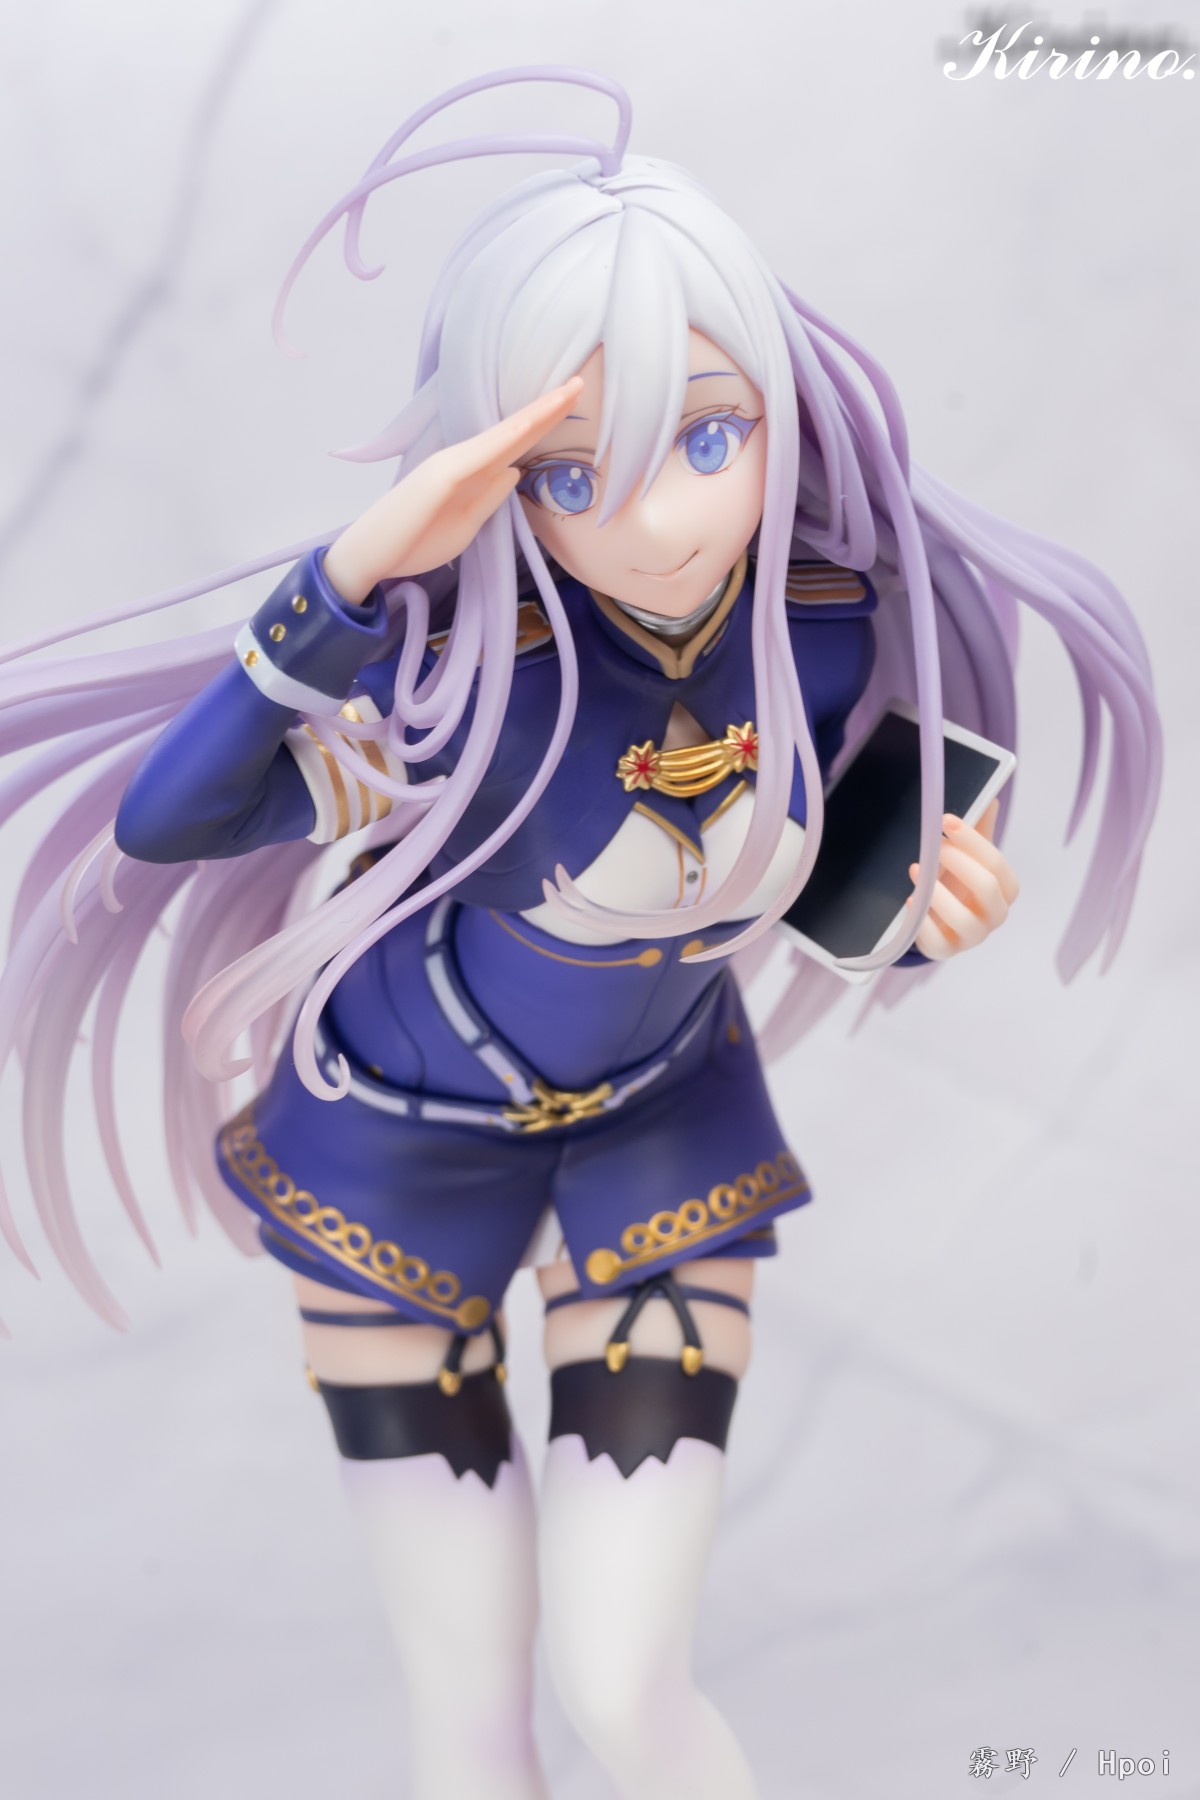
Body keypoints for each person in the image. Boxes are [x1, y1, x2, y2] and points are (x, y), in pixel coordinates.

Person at [0, 67, 1160, 1800]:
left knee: (625, 1692)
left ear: (777, 410)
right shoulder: (460, 678)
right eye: (567, 469)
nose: (662, 521)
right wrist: (351, 575)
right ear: (492, 471)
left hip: (661, 1125)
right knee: (469, 1732)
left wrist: (923, 919)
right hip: (395, 1146)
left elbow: (829, 876)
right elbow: (172, 821)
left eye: (708, 437)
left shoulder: (826, 632)